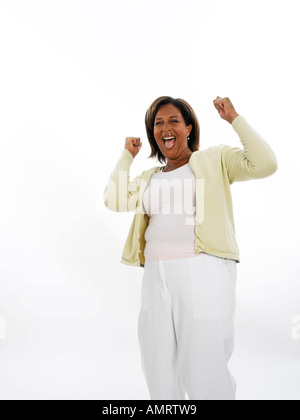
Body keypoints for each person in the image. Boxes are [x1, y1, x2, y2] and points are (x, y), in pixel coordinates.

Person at [103, 96, 278, 400]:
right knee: (158, 363)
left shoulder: (214, 160)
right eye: (158, 123)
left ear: (188, 128)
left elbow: (265, 164)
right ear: (152, 133)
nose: (165, 128)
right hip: (156, 275)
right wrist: (127, 156)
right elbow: (114, 199)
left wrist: (234, 118)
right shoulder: (150, 177)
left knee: (204, 364)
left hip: (203, 271)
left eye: (173, 121)